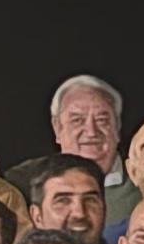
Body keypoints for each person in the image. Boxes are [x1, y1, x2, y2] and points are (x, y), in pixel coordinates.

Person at [34, 73, 132, 219]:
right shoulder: (24, 181)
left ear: (117, 126)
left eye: (101, 120)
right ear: (57, 128)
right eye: (77, 120)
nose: (91, 132)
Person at [32, 154, 128, 244]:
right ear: (37, 216)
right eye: (63, 201)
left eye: (90, 200)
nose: (79, 213)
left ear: (104, 208)